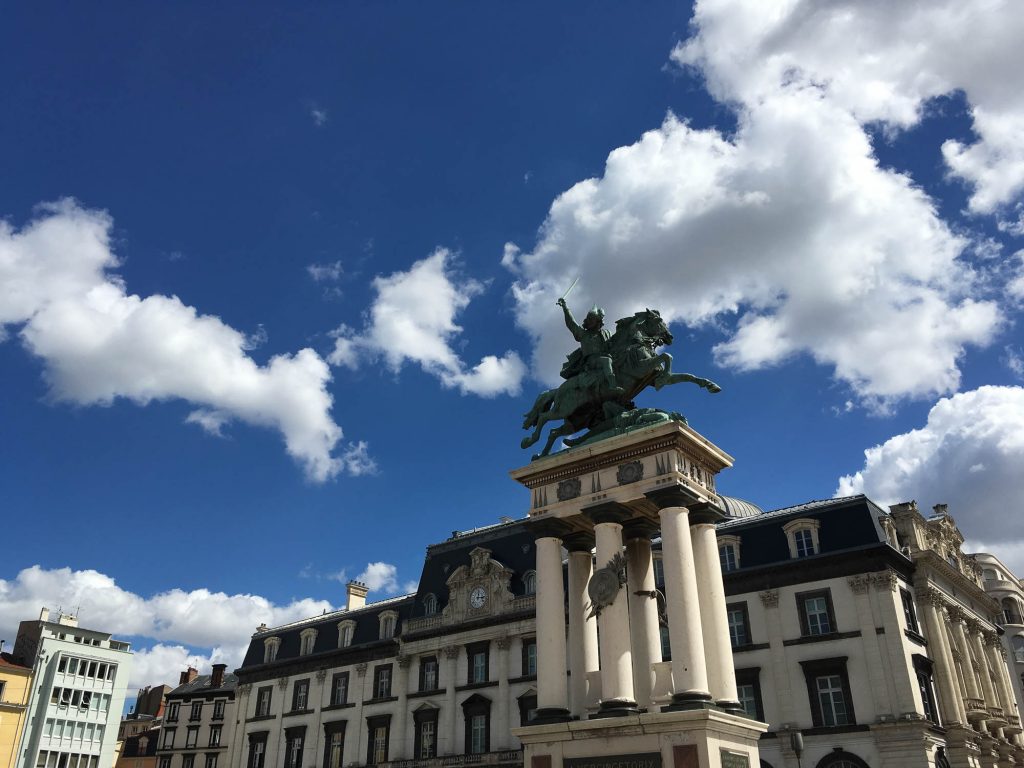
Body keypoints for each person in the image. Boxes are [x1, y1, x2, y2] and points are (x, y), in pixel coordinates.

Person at [556, 297, 623, 396]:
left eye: (592, 319)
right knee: (606, 361)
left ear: (598, 321)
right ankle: (612, 386)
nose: (588, 321)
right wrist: (565, 307)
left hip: (606, 357)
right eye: (588, 319)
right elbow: (571, 323)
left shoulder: (607, 333)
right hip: (591, 361)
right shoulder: (583, 334)